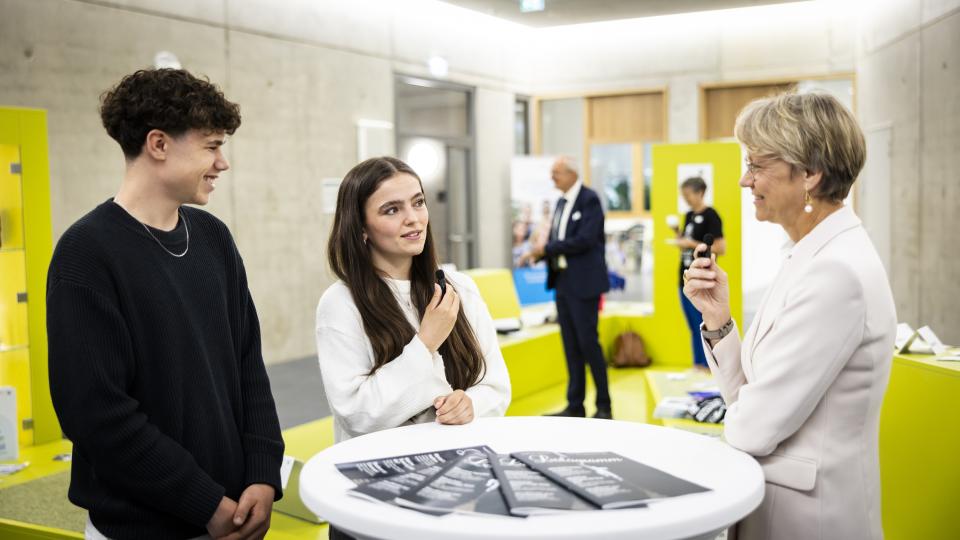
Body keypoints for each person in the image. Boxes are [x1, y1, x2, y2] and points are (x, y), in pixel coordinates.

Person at [46, 69, 284, 540]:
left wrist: (262, 473)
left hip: (232, 513)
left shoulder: (213, 239)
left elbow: (248, 368)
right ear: (158, 144)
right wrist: (205, 505)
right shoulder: (87, 253)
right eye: (211, 146)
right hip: (140, 528)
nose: (223, 162)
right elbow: (98, 416)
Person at [683, 92, 896, 540]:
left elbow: (754, 427)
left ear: (811, 174)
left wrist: (724, 431)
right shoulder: (808, 255)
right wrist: (719, 321)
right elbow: (753, 398)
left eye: (757, 166)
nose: (745, 180)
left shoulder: (835, 272)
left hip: (810, 520)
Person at [316, 156, 511, 442]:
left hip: (461, 460)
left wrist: (470, 406)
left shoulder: (460, 289)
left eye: (418, 202)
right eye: (392, 209)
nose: (413, 218)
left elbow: (495, 387)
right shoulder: (341, 303)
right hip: (382, 472)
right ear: (362, 228)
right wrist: (425, 343)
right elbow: (357, 414)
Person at [519, 157, 612, 419]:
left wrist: (546, 249)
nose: (552, 178)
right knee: (570, 345)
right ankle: (575, 405)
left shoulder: (589, 199)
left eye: (556, 173)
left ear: (572, 173)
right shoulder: (560, 203)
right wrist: (539, 254)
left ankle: (604, 406)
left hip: (585, 284)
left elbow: (584, 239)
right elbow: (559, 240)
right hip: (563, 281)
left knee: (588, 344)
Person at [672, 177, 725, 369]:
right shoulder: (688, 216)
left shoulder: (711, 215)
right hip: (686, 277)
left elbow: (720, 247)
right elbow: (688, 245)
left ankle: (708, 366)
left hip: (703, 279)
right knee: (693, 326)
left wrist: (690, 243)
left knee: (703, 325)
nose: (686, 199)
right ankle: (698, 365)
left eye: (688, 195)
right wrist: (680, 238)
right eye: (683, 195)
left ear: (700, 192)